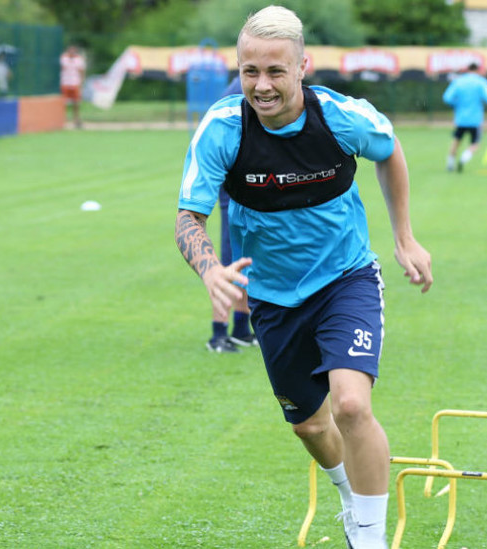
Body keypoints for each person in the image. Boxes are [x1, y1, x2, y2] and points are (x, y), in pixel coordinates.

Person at [174, 6, 432, 548]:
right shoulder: (223, 128)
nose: (262, 85)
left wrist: (405, 237)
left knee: (351, 405)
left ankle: (371, 537)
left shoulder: (341, 118)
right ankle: (350, 497)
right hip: (272, 296)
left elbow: (389, 150)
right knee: (310, 426)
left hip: (345, 278)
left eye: (275, 71)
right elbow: (188, 218)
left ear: (302, 67)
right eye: (250, 71)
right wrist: (210, 268)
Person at [206, 76, 258, 353]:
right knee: (229, 261)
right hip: (234, 187)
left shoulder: (258, 83)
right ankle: (218, 333)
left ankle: (240, 328)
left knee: (248, 260)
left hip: (253, 187)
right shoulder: (241, 89)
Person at [442, 63, 487, 172]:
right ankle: (464, 158)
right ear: (478, 70)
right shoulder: (481, 82)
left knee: (456, 141)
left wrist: (457, 104)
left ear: (467, 70)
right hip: (475, 119)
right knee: (475, 144)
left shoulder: (458, 81)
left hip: (461, 118)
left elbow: (447, 98)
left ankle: (450, 164)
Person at [59, 45, 87, 128]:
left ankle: (76, 119)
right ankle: (62, 119)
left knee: (76, 102)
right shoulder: (63, 58)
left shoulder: (79, 60)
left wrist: (82, 82)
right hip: (64, 82)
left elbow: (82, 71)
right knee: (63, 102)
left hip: (75, 82)